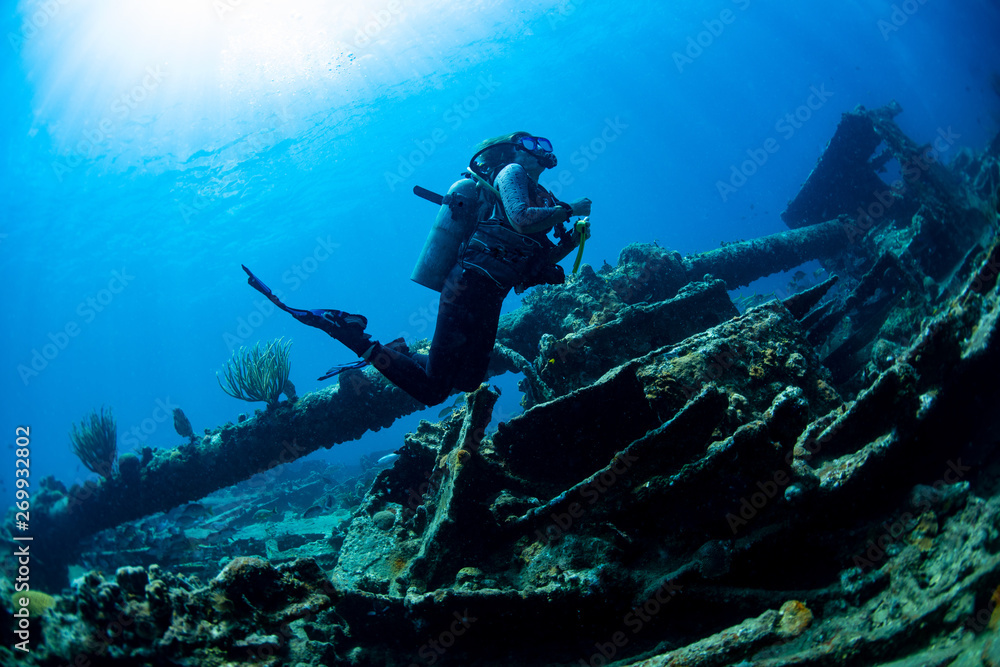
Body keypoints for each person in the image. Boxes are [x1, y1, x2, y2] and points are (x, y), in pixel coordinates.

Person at [243, 131, 591, 406]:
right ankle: (350, 333)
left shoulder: (541, 195)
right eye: (530, 143)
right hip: (468, 285)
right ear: (511, 151)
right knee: (433, 391)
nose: (539, 148)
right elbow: (520, 218)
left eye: (541, 143)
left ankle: (402, 352)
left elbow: (537, 259)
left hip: (493, 293)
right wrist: (571, 208)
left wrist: (572, 241)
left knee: (469, 381)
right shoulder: (512, 173)